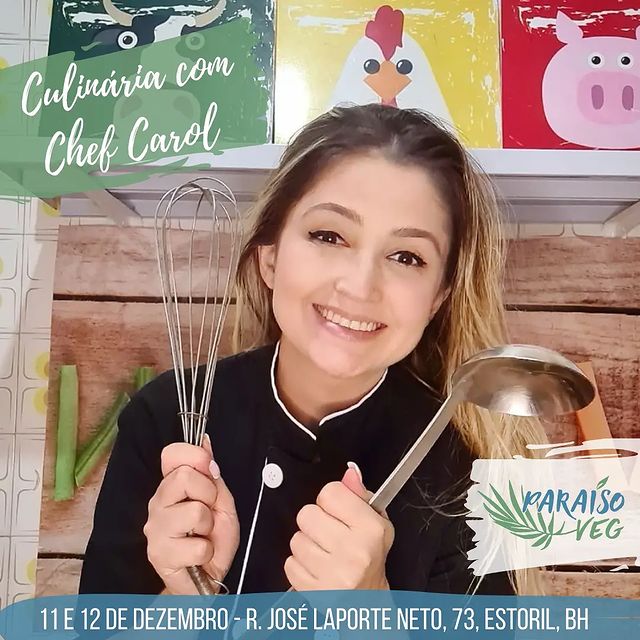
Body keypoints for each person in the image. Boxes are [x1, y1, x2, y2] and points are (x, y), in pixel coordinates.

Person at [79, 104, 544, 597]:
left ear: (437, 298)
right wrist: (187, 594)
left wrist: (369, 613)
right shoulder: (167, 415)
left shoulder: (470, 465)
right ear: (270, 258)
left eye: (406, 257)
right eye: (329, 236)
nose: (359, 286)